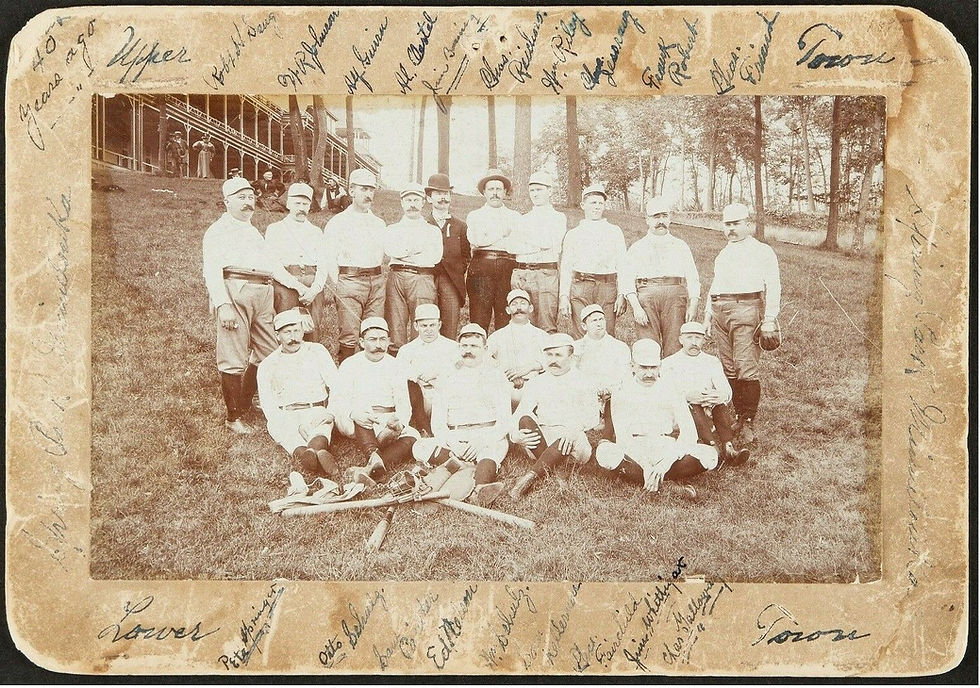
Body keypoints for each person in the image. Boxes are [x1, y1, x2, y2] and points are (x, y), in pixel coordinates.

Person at [202, 177, 310, 433]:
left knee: (269, 350)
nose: (247, 203)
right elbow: (211, 271)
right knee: (232, 355)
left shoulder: (253, 231)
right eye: (240, 198)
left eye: (250, 197)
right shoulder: (217, 230)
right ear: (227, 201)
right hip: (236, 290)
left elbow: (273, 266)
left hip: (264, 291)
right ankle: (233, 416)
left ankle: (245, 401)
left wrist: (298, 286)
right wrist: (223, 304)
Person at [594, 339, 718, 499]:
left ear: (660, 366)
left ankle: (650, 479)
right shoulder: (621, 391)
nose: (649, 373)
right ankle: (668, 485)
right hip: (634, 450)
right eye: (643, 367)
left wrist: (664, 464)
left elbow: (689, 435)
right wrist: (646, 465)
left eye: (653, 367)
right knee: (605, 453)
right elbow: (624, 439)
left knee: (710, 456)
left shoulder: (672, 388)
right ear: (632, 366)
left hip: (665, 447)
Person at [704, 202, 781, 444]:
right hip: (720, 311)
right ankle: (736, 417)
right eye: (727, 224)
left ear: (748, 224)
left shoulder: (762, 251)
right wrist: (707, 315)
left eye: (736, 224)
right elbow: (716, 286)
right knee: (727, 367)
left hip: (747, 309)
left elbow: (774, 285)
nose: (731, 229)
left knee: (745, 366)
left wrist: (769, 319)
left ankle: (747, 421)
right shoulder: (723, 253)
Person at [413, 323, 513, 506]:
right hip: (455, 436)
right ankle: (465, 465)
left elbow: (505, 420)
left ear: (485, 348)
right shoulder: (447, 376)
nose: (468, 351)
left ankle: (479, 488)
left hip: (486, 434)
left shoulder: (497, 376)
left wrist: (482, 441)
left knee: (492, 451)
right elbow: (437, 422)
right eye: (464, 346)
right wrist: (452, 442)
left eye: (474, 346)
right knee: (419, 446)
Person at [509, 333, 599, 500]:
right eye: (549, 355)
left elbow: (593, 416)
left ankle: (528, 479)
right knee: (525, 420)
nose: (553, 360)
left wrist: (573, 431)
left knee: (566, 439)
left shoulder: (583, 381)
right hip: (542, 440)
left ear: (571, 357)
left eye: (558, 355)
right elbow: (521, 412)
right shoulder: (537, 381)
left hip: (572, 441)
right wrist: (516, 436)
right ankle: (557, 471)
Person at [333, 317, 419, 486]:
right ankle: (373, 452)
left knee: (413, 437)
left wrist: (399, 422)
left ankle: (372, 465)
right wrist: (354, 414)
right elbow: (337, 399)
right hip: (356, 418)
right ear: (361, 342)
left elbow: (403, 403)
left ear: (389, 341)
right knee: (363, 416)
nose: (378, 345)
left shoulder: (396, 365)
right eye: (372, 339)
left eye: (382, 339)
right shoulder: (349, 364)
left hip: (386, 418)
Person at [257, 309, 341, 481]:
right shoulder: (268, 364)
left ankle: (316, 451)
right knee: (286, 433)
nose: (293, 337)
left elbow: (337, 385)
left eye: (296, 331)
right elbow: (267, 402)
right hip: (286, 413)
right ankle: (307, 456)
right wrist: (280, 420)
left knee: (320, 428)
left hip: (315, 409)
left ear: (303, 331)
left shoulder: (317, 351)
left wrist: (330, 412)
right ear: (277, 336)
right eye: (287, 332)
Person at [661, 322, 750, 466]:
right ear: (680, 339)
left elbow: (726, 391)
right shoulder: (668, 363)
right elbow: (665, 393)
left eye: (698, 338)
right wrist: (687, 397)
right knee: (693, 403)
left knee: (719, 403)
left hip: (709, 411)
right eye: (689, 338)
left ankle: (729, 447)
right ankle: (712, 447)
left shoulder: (711, 361)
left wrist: (718, 396)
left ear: (704, 340)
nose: (694, 343)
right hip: (682, 412)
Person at [623, 196, 701, 357]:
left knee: (675, 348)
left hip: (675, 298)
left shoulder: (680, 246)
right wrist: (636, 307)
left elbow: (693, 277)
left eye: (664, 216)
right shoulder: (637, 247)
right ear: (647, 220)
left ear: (670, 218)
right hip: (646, 298)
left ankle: (671, 381)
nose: (661, 221)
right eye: (656, 217)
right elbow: (626, 280)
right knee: (648, 346)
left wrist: (693, 303)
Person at [322, 168, 386, 362]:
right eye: (364, 189)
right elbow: (328, 256)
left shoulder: (378, 223)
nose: (368, 194)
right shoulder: (338, 222)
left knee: (374, 332)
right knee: (349, 335)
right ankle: (346, 383)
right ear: (351, 190)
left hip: (376, 281)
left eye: (371, 190)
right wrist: (338, 283)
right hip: (350, 281)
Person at [264, 182, 332, 342]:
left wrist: (315, 289)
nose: (301, 208)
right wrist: (298, 287)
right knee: (287, 331)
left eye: (305, 203)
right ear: (288, 203)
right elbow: (272, 264)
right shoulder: (275, 229)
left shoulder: (316, 232)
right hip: (286, 286)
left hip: (312, 285)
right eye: (297, 203)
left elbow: (323, 263)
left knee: (312, 331)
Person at [559, 183, 628, 338]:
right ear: (583, 205)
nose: (596, 207)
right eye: (592, 203)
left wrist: (622, 293)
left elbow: (623, 265)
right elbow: (566, 267)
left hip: (606, 287)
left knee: (606, 332)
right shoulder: (573, 234)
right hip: (581, 287)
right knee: (581, 333)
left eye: (600, 203)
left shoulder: (614, 231)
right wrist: (563, 296)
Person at [384, 182, 443, 353]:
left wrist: (404, 252)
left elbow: (434, 257)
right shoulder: (392, 229)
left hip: (422, 278)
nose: (412, 204)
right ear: (402, 203)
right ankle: (397, 371)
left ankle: (419, 369)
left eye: (416, 200)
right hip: (397, 277)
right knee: (396, 326)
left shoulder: (432, 231)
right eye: (408, 200)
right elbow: (390, 250)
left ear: (423, 202)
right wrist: (416, 250)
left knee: (423, 323)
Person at [510, 170, 567, 333]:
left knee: (546, 325)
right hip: (521, 273)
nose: (535, 194)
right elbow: (511, 247)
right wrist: (537, 244)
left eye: (539, 189)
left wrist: (525, 238)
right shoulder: (523, 218)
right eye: (532, 190)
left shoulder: (558, 217)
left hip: (545, 274)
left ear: (550, 191)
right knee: (521, 323)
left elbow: (548, 242)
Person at [465, 169, 521, 331]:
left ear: (505, 192)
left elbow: (515, 245)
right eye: (491, 189)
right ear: (484, 192)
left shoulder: (514, 216)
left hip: (507, 266)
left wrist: (488, 235)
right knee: (479, 318)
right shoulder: (475, 215)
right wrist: (503, 233)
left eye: (498, 189)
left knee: (505, 319)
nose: (495, 193)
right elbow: (476, 240)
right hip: (481, 266)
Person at [396, 303, 460, 434]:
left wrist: (437, 375)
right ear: (415, 326)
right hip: (420, 397)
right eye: (424, 326)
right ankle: (423, 427)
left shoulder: (452, 347)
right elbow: (400, 372)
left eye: (432, 325)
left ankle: (441, 427)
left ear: (439, 325)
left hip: (444, 393)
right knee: (409, 384)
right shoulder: (407, 350)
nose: (428, 330)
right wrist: (418, 376)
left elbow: (459, 369)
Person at [573, 304, 631, 440]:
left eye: (601, 319)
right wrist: (591, 389)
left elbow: (625, 375)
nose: (599, 324)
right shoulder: (577, 347)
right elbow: (573, 375)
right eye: (594, 321)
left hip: (611, 393)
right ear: (584, 326)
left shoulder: (619, 347)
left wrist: (611, 389)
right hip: (587, 392)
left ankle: (607, 432)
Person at [425, 173, 470, 340]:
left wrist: (456, 271)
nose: (443, 198)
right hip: (427, 279)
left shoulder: (460, 226)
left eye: (446, 194)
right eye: (438, 194)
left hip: (451, 281)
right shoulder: (423, 224)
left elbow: (466, 255)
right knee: (427, 324)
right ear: (429, 198)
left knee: (450, 328)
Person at [486, 289, 548, 408]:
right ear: (508, 310)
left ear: (531, 308)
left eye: (523, 303)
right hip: (505, 386)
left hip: (534, 386)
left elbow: (551, 359)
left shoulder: (541, 335)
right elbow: (484, 357)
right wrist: (505, 372)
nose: (519, 308)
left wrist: (531, 367)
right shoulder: (498, 336)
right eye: (514, 304)